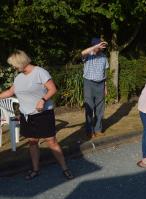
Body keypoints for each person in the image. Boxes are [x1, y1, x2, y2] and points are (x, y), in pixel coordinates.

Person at [0, 50, 73, 180]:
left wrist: (43, 100)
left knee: (51, 141)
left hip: (43, 114)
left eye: (13, 64)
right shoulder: (19, 77)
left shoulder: (40, 72)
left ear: (20, 62)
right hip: (26, 115)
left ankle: (65, 168)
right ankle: (35, 169)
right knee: (32, 142)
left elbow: (53, 89)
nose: (13, 67)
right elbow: (10, 92)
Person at [81, 38, 109, 139]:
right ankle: (89, 131)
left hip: (100, 84)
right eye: (98, 46)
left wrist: (105, 87)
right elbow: (82, 52)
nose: (100, 48)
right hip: (89, 83)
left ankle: (98, 130)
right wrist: (95, 46)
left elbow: (105, 74)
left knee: (100, 109)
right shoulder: (88, 56)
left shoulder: (104, 57)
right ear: (94, 45)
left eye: (100, 46)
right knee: (89, 108)